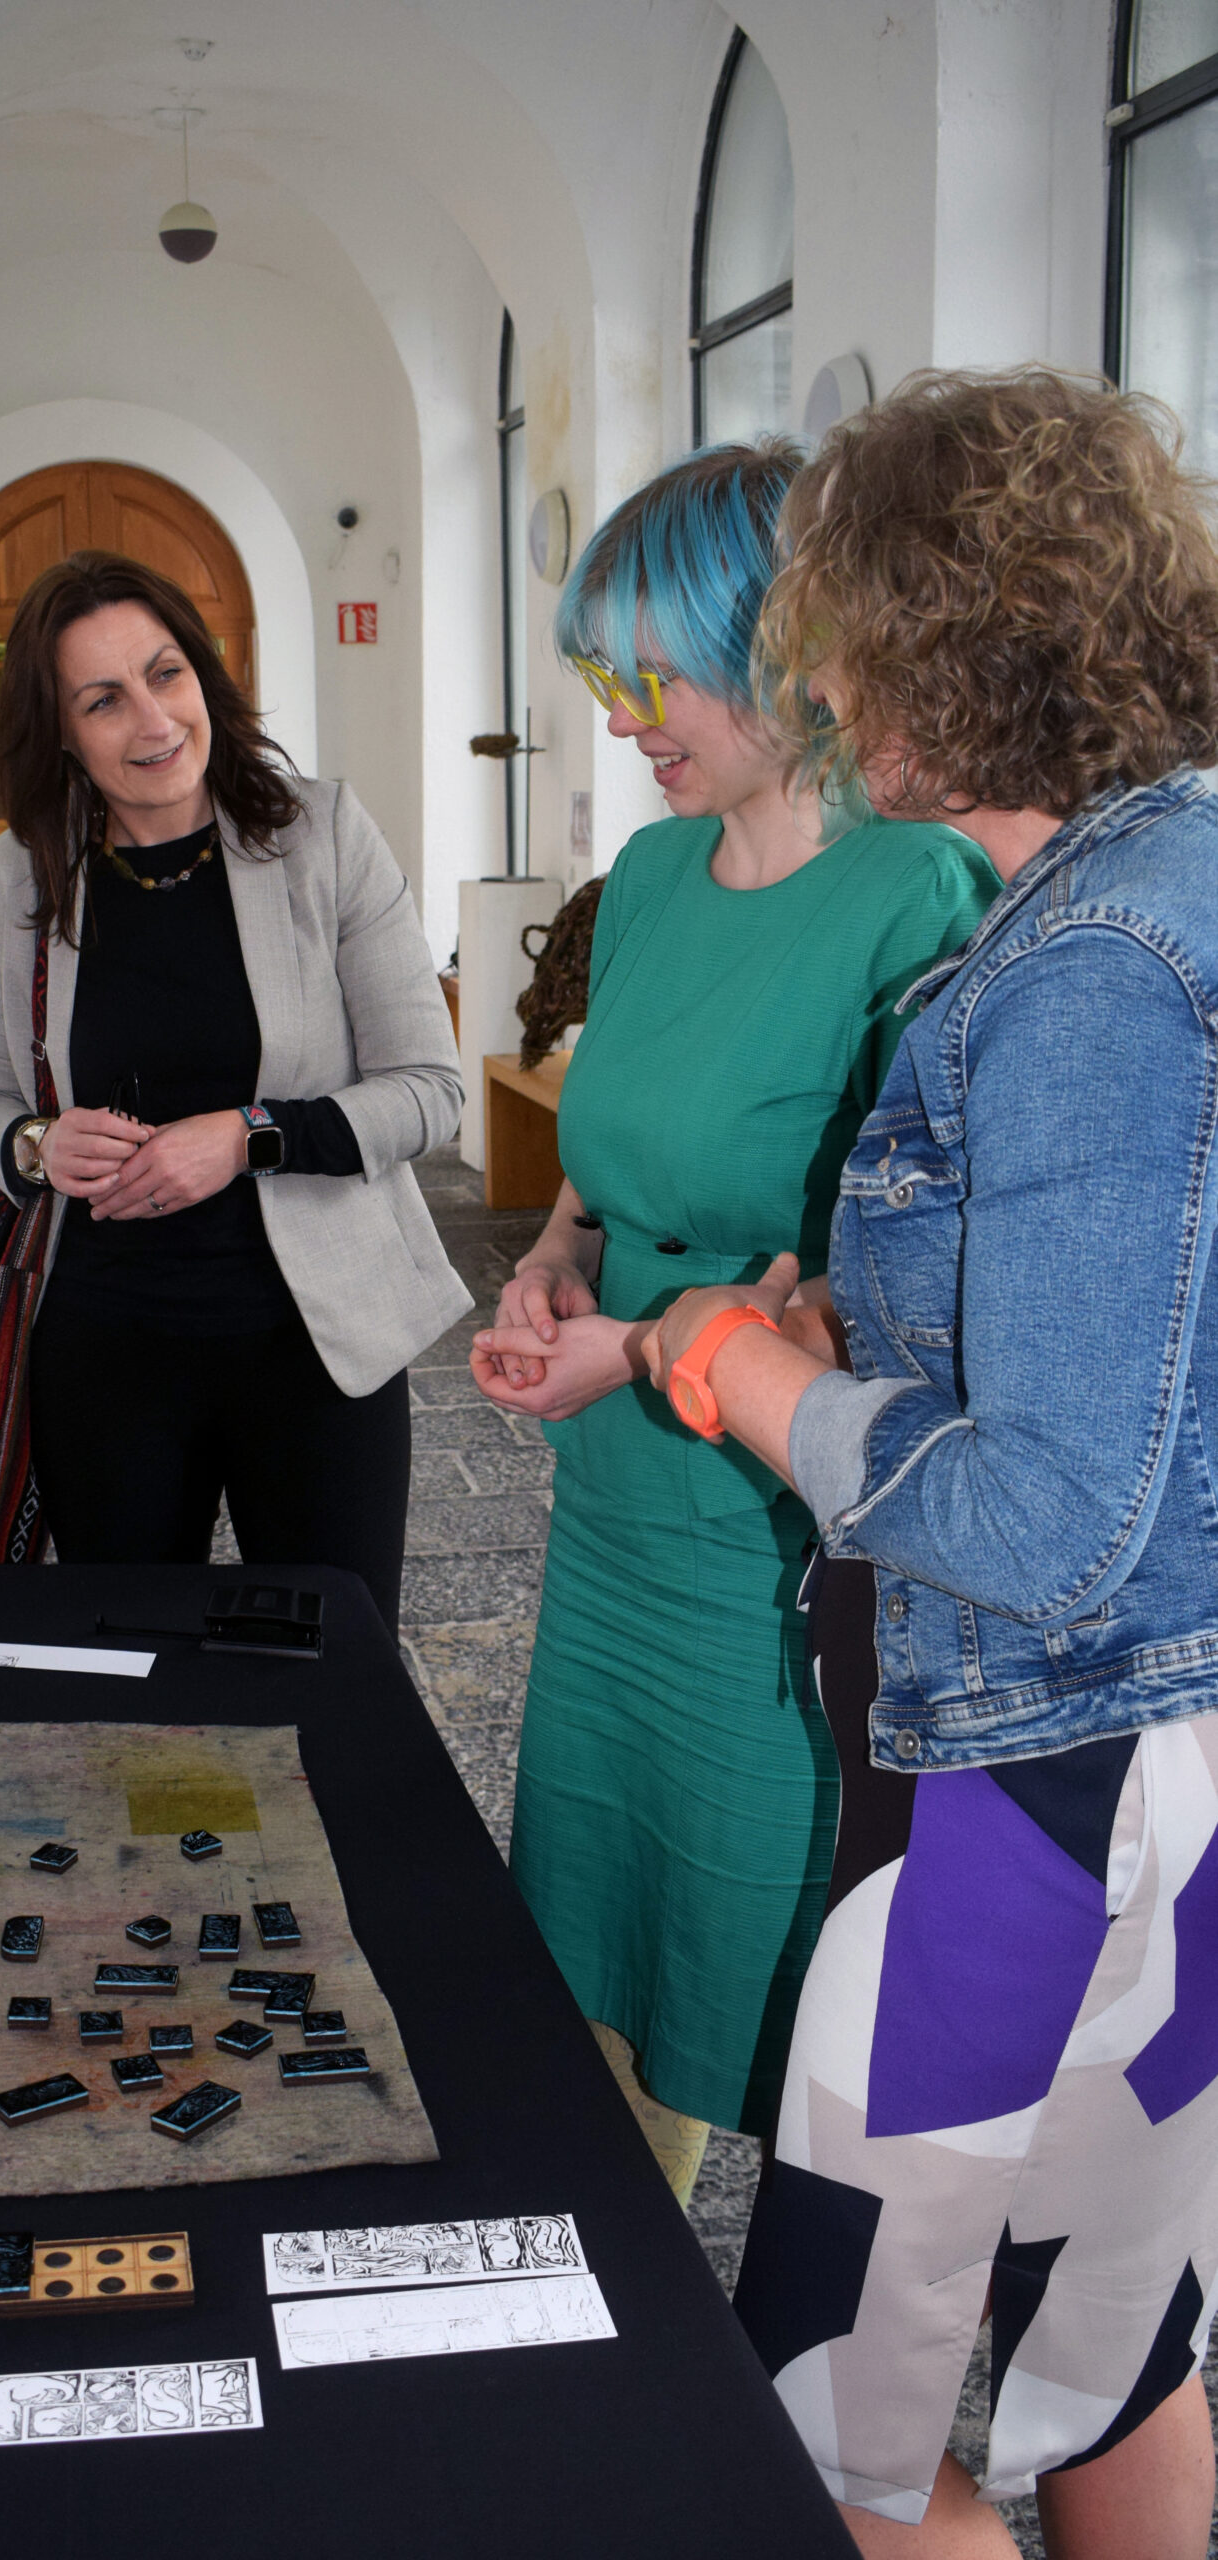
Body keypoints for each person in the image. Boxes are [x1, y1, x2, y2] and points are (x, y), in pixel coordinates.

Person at [646, 372, 1218, 2556]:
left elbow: (1053, 1516)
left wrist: (732, 1363)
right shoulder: (1156, 879)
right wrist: (862, 1331)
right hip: (1148, 1787)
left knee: (841, 2419)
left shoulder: (1092, 957)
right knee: (1112, 2345)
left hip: (1032, 1807)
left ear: (939, 639)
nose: (818, 679)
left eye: (842, 628)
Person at [469, 445, 997, 2203]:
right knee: (587, 1966)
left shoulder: (913, 890)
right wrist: (549, 1267)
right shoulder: (650, 877)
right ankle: (607, 2303)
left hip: (768, 1538)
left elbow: (890, 1283)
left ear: (775, 646)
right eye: (596, 677)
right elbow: (604, 1172)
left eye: (646, 672)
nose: (621, 717)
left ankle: (774, 2379)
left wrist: (639, 1347)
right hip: (611, 1520)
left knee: (768, 1976)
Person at [0, 550, 468, 1638]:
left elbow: (430, 1092)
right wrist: (40, 1147)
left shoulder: (321, 838)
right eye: (104, 699)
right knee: (131, 1668)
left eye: (165, 673)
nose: (153, 718)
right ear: (65, 736)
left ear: (204, 677)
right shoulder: (14, 886)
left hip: (318, 1343)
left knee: (334, 1660)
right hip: (108, 1349)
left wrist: (248, 1136)